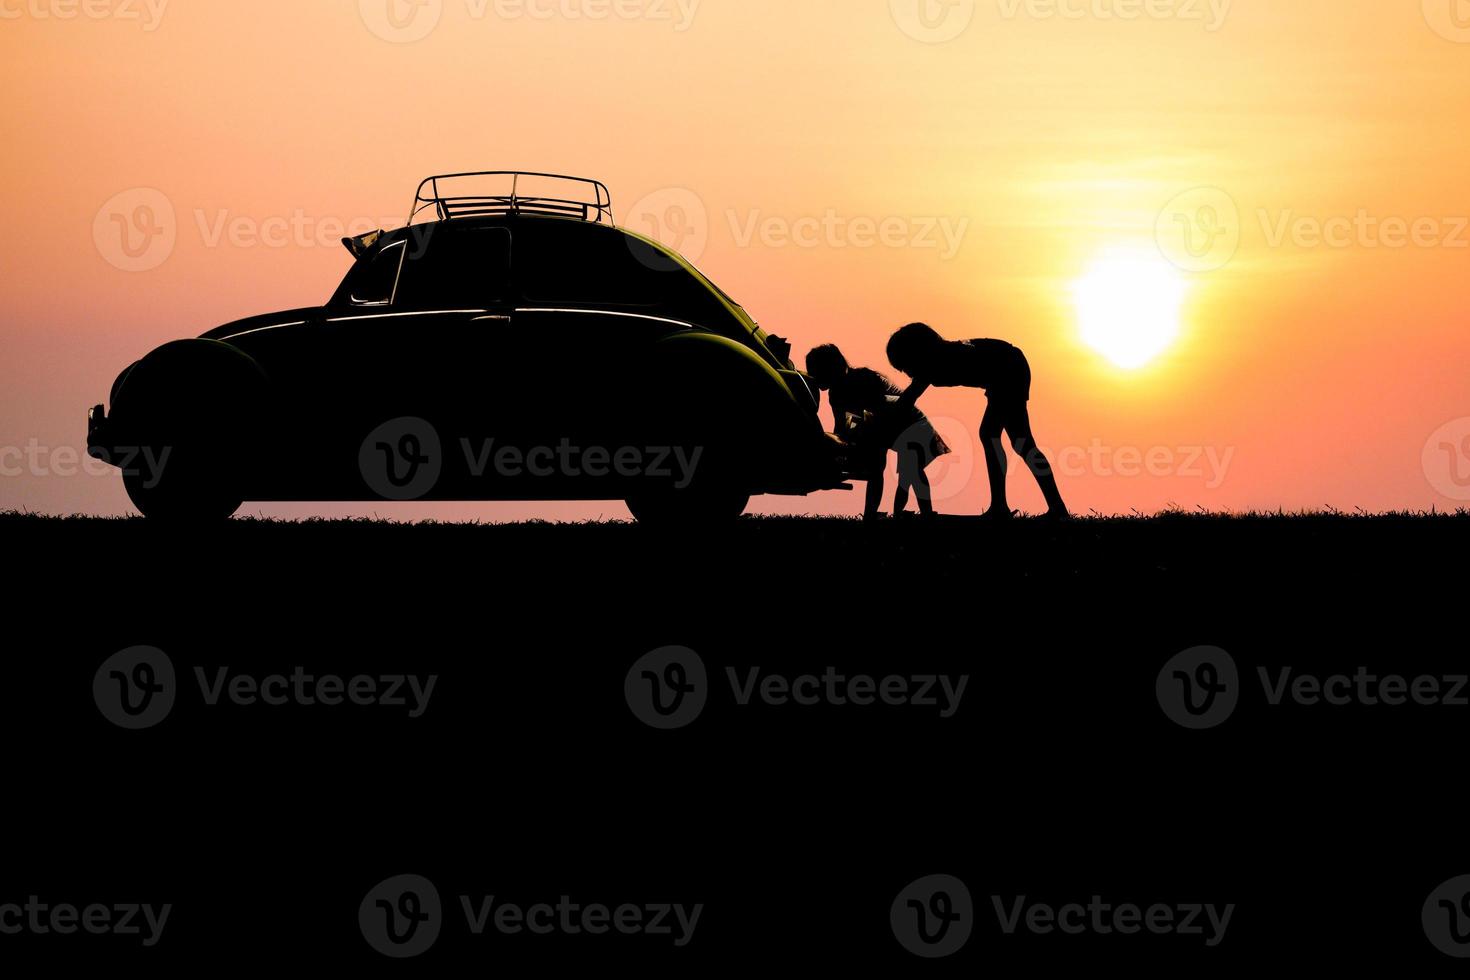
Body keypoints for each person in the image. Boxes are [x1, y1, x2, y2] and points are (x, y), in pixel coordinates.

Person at [886, 323, 1068, 520]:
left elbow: (907, 400)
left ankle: (1046, 509)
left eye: (905, 365)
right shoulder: (937, 358)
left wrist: (880, 425)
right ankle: (1006, 507)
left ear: (917, 353)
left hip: (1009, 368)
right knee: (996, 436)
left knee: (1019, 442)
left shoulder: (933, 363)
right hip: (1003, 371)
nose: (906, 372)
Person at [806, 344, 950, 520]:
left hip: (905, 425)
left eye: (818, 371)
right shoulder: (835, 393)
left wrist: (853, 442)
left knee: (904, 471)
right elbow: (843, 424)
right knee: (893, 471)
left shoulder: (864, 379)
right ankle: (879, 514)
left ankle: (920, 514)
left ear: (834, 367)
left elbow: (877, 414)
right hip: (884, 428)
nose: (814, 377)